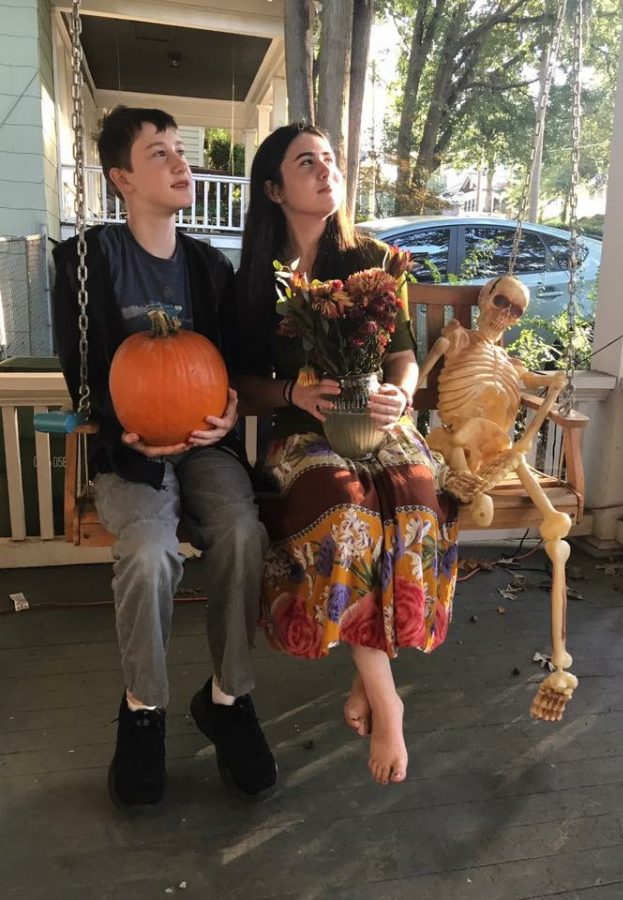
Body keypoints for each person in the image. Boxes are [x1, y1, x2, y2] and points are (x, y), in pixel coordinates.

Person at [53, 106, 276, 806]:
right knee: (150, 553)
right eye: (160, 154)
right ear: (121, 177)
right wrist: (125, 431)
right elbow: (82, 374)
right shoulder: (87, 261)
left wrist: (233, 409)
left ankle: (228, 699)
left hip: (206, 448)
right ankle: (142, 711)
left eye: (181, 151)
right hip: (131, 453)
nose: (182, 164)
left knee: (242, 534)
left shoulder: (209, 267)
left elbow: (233, 367)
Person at [235, 123, 458, 786]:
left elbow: (403, 357)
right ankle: (385, 698)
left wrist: (398, 395)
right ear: (274, 187)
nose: (325, 170)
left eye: (330, 159)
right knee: (346, 509)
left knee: (417, 495)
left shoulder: (371, 260)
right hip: (300, 436)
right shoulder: (253, 279)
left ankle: (369, 673)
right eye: (307, 162)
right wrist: (292, 391)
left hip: (379, 425)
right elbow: (237, 384)